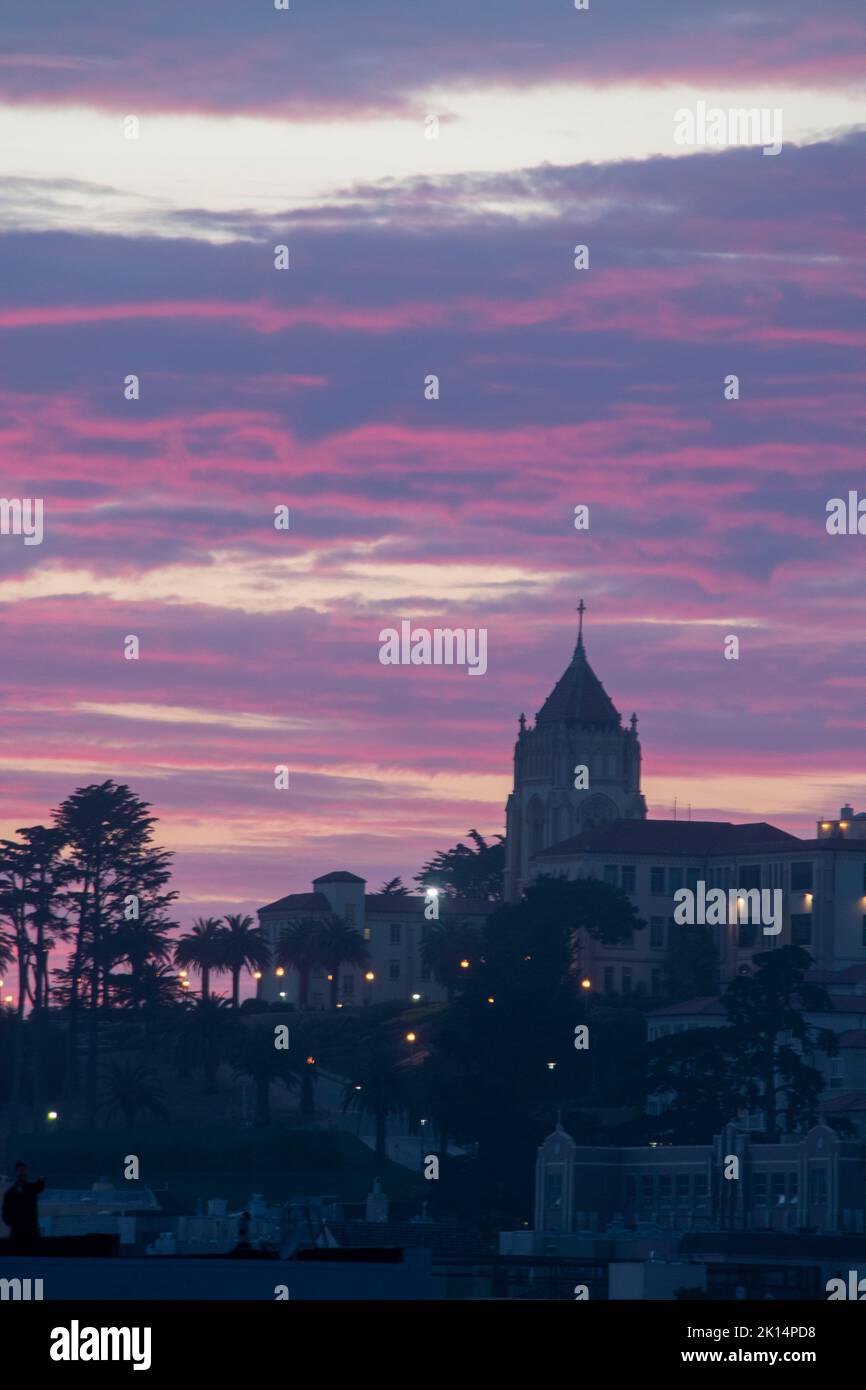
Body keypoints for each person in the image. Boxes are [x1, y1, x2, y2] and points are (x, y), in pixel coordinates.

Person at [2, 1162, 46, 1254]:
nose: (21, 1173)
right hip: (18, 1230)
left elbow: (39, 1185)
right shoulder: (10, 1193)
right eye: (19, 1171)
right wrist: (12, 1223)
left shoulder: (30, 1189)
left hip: (30, 1230)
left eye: (23, 1170)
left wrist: (42, 1180)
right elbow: (5, 1211)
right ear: (16, 1173)